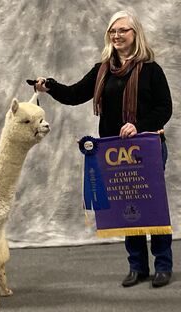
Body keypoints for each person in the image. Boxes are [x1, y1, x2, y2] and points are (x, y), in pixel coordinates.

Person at [34, 10, 173, 288]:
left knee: (152, 208)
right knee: (128, 207)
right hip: (115, 153)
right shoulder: (102, 70)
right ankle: (137, 267)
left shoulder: (151, 70)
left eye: (123, 30)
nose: (117, 35)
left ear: (136, 35)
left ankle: (163, 265)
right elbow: (74, 95)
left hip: (146, 147)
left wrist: (138, 124)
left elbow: (164, 109)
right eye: (113, 31)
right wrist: (50, 86)